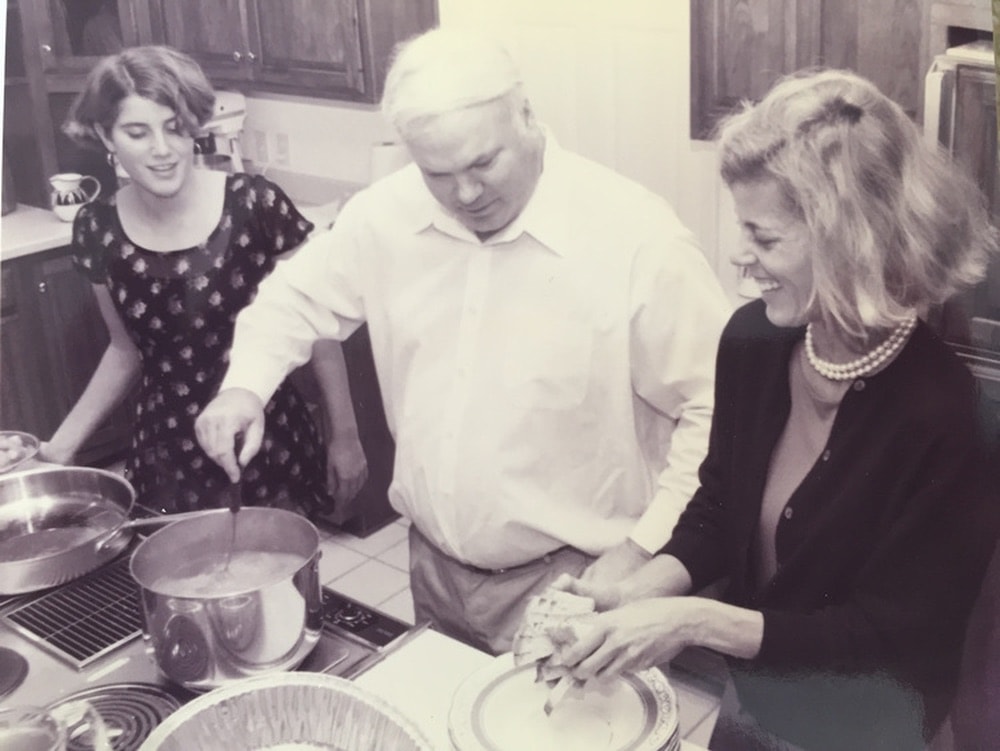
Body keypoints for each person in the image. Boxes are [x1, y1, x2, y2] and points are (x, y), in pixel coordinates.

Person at [194, 28, 731, 654]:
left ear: (526, 115)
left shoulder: (637, 238)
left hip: (578, 578)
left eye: (483, 162)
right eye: (438, 174)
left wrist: (640, 551)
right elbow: (295, 297)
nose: (466, 194)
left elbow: (718, 411)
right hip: (431, 571)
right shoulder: (384, 214)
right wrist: (244, 387)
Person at [539, 68, 1000, 750]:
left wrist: (691, 620)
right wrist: (634, 591)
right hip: (760, 700)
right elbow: (720, 504)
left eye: (765, 237)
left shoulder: (950, 416)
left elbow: (891, 633)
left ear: (852, 240)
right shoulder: (753, 340)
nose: (739, 257)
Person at [40, 45, 368, 515]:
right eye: (137, 132)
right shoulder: (96, 227)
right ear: (104, 135)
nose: (162, 149)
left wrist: (346, 437)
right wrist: (60, 447)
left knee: (280, 584)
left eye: (175, 128)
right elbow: (123, 350)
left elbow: (318, 332)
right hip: (165, 453)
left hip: (266, 440)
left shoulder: (255, 205)